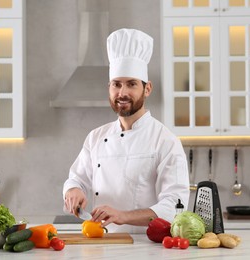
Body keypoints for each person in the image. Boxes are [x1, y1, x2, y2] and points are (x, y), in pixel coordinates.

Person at [63, 28, 190, 233]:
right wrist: (73, 190)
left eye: (131, 84)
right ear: (109, 88)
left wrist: (123, 216)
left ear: (147, 88)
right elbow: (77, 178)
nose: (122, 93)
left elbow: (176, 205)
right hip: (99, 243)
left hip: (144, 247)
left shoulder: (165, 140)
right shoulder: (95, 137)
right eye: (117, 84)